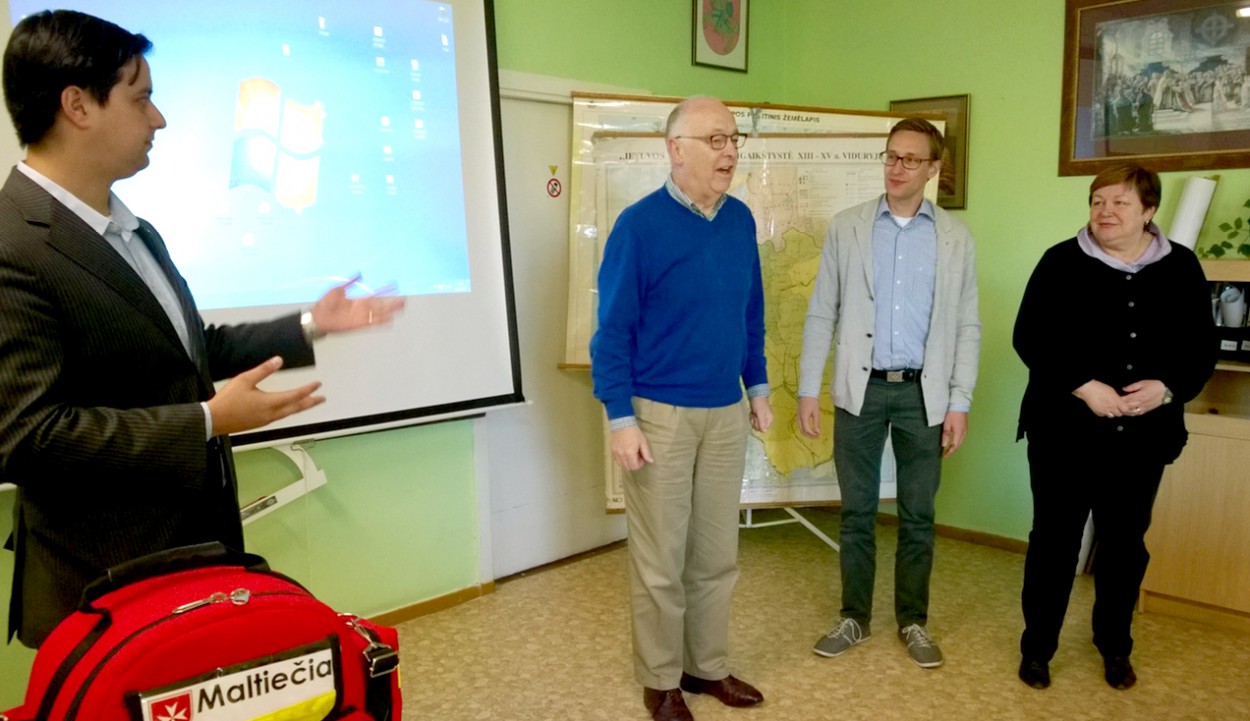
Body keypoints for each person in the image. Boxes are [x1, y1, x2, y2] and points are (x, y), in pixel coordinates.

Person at [0, 10, 403, 648]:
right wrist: (207, 421)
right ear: (77, 106)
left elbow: (187, 352)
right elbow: (29, 437)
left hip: (190, 561)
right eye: (141, 98)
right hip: (101, 588)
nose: (158, 118)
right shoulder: (13, 242)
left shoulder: (134, 231)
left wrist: (311, 324)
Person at [591, 96, 772, 721]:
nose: (729, 152)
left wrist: (759, 387)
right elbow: (611, 332)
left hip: (724, 411)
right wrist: (620, 419)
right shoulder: (638, 227)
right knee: (661, 562)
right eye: (715, 139)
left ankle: (706, 666)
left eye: (733, 139)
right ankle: (661, 680)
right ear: (676, 149)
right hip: (657, 415)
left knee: (716, 555)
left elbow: (751, 311)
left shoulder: (740, 220)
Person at [1013, 163, 1215, 690]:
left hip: (1142, 438)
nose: (1105, 211)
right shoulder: (1060, 261)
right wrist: (1084, 386)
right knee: (1054, 544)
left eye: (1120, 202)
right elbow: (1029, 337)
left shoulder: (1182, 267)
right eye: (1097, 201)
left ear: (1149, 210)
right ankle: (1037, 649)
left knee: (1125, 546)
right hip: (1063, 434)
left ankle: (1115, 646)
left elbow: (1202, 348)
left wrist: (1166, 389)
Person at [797, 117, 980, 669]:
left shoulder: (954, 238)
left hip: (923, 394)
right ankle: (853, 616)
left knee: (918, 515)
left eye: (910, 159)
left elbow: (967, 324)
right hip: (861, 391)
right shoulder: (848, 227)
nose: (897, 168)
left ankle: (913, 621)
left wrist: (960, 401)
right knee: (856, 512)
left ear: (933, 168)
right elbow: (822, 311)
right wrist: (808, 390)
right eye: (891, 156)